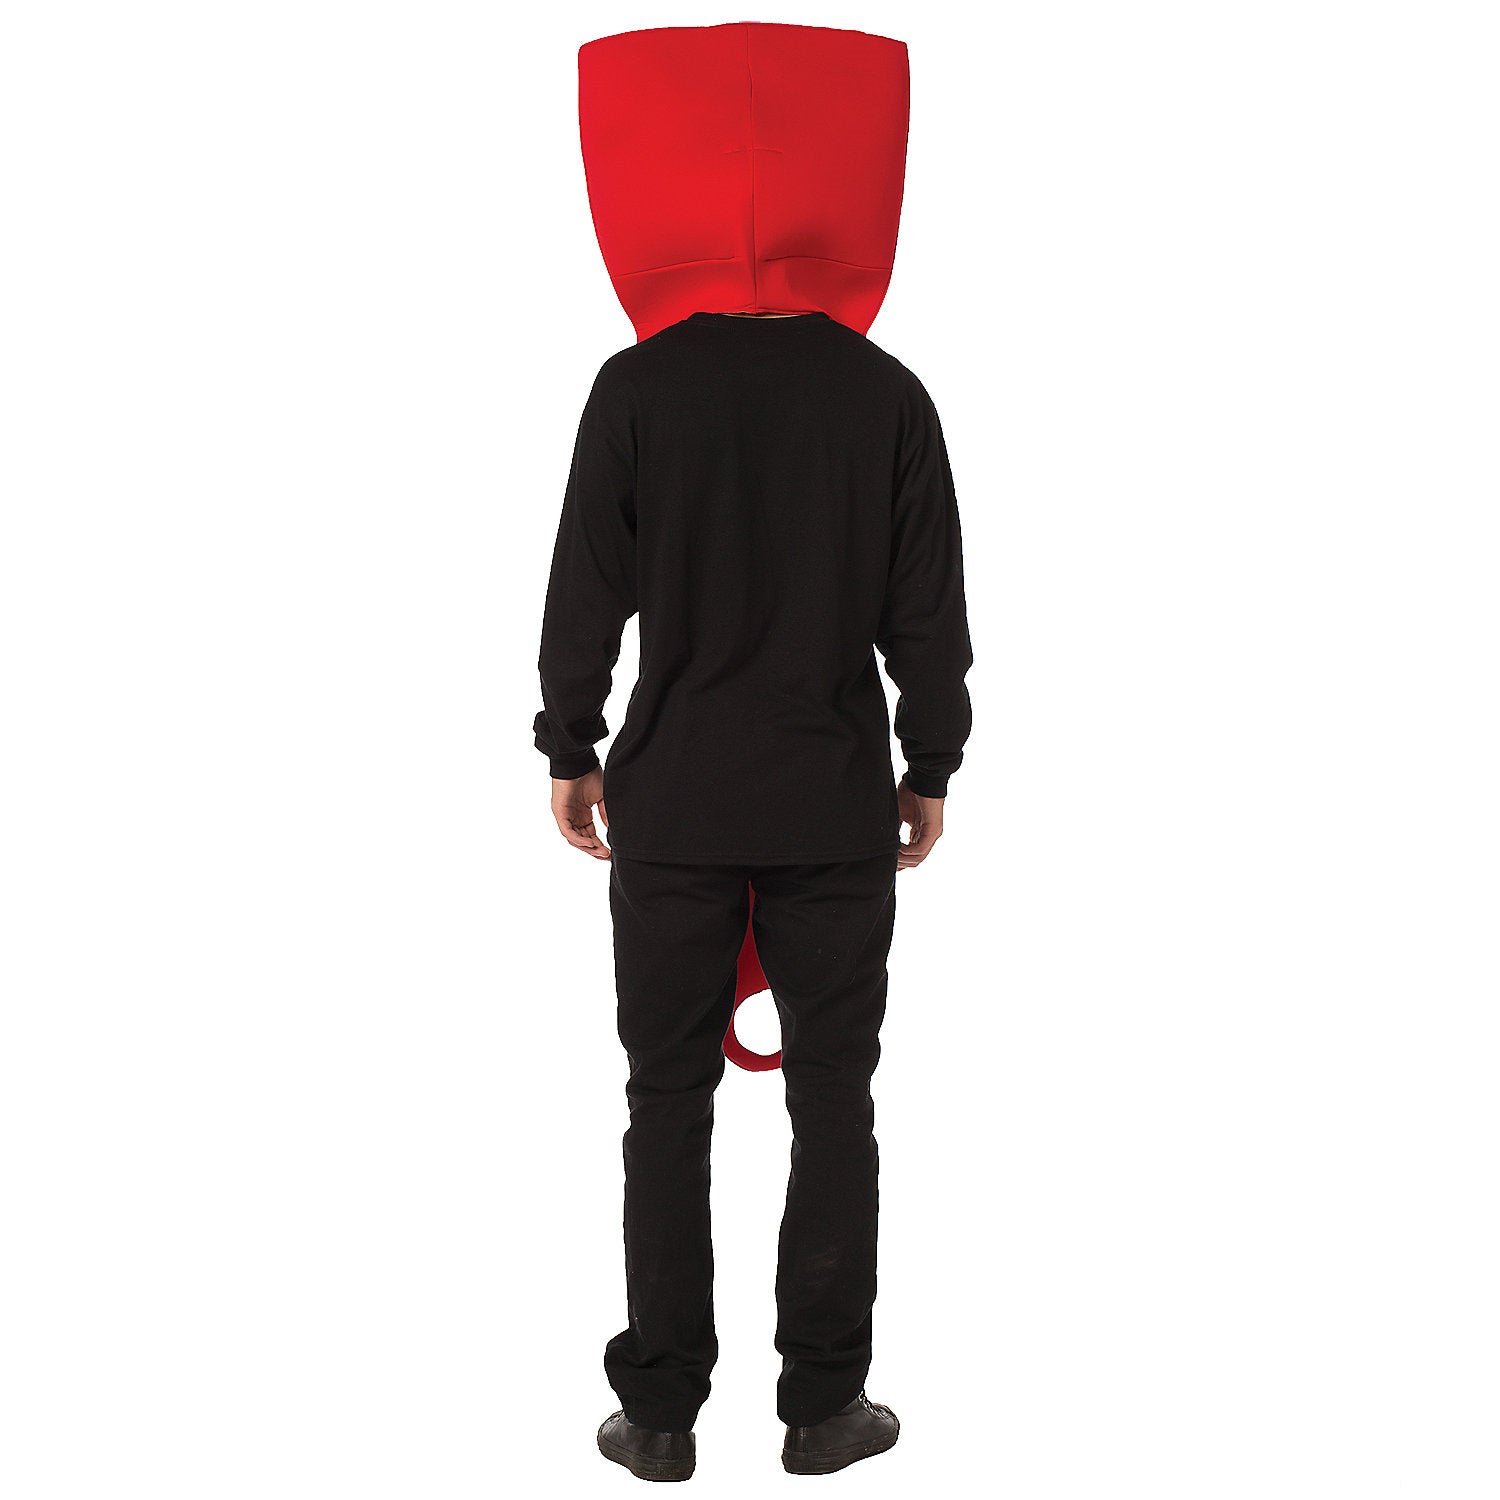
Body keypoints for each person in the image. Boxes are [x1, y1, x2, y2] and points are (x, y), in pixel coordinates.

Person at [532, 24, 974, 1481]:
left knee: (666, 1103)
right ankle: (823, 1409)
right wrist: (930, 767)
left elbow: (583, 595)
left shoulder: (635, 388)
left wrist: (570, 743)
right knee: (833, 1103)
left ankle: (660, 1412)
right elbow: (929, 619)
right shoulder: (886, 394)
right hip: (833, 802)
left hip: (672, 799)